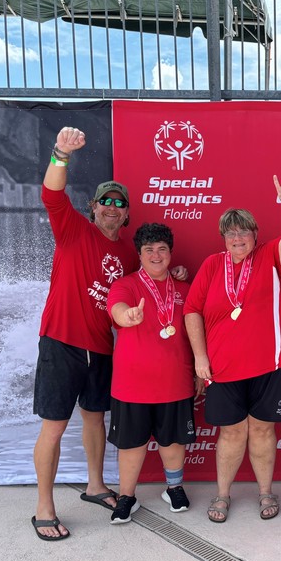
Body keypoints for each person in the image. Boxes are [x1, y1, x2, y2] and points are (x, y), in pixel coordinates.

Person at [30, 127, 186, 541]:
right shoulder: (74, 230)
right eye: (106, 202)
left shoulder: (130, 254)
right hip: (61, 342)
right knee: (54, 427)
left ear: (127, 213)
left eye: (120, 203)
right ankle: (44, 506)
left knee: (95, 420)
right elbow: (51, 195)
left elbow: (153, 277)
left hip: (101, 350)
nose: (113, 208)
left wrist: (178, 273)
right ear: (93, 207)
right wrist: (61, 153)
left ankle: (96, 486)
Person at [184, 177, 281, 524]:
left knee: (263, 430)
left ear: (255, 234)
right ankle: (223, 495)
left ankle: (266, 491)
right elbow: (192, 310)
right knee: (232, 432)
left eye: (244, 232)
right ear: (223, 238)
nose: (238, 239)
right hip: (223, 368)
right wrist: (200, 358)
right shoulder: (211, 265)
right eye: (231, 233)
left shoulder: (270, 256)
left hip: (272, 364)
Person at [107, 223, 203, 524]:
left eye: (162, 249)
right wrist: (128, 315)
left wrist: (202, 372)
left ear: (170, 253)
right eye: (149, 250)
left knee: (173, 441)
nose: (156, 255)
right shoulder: (126, 284)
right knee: (131, 444)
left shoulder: (186, 288)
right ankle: (126, 497)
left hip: (175, 383)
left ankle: (174, 488)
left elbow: (197, 332)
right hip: (131, 384)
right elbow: (117, 308)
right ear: (139, 254)